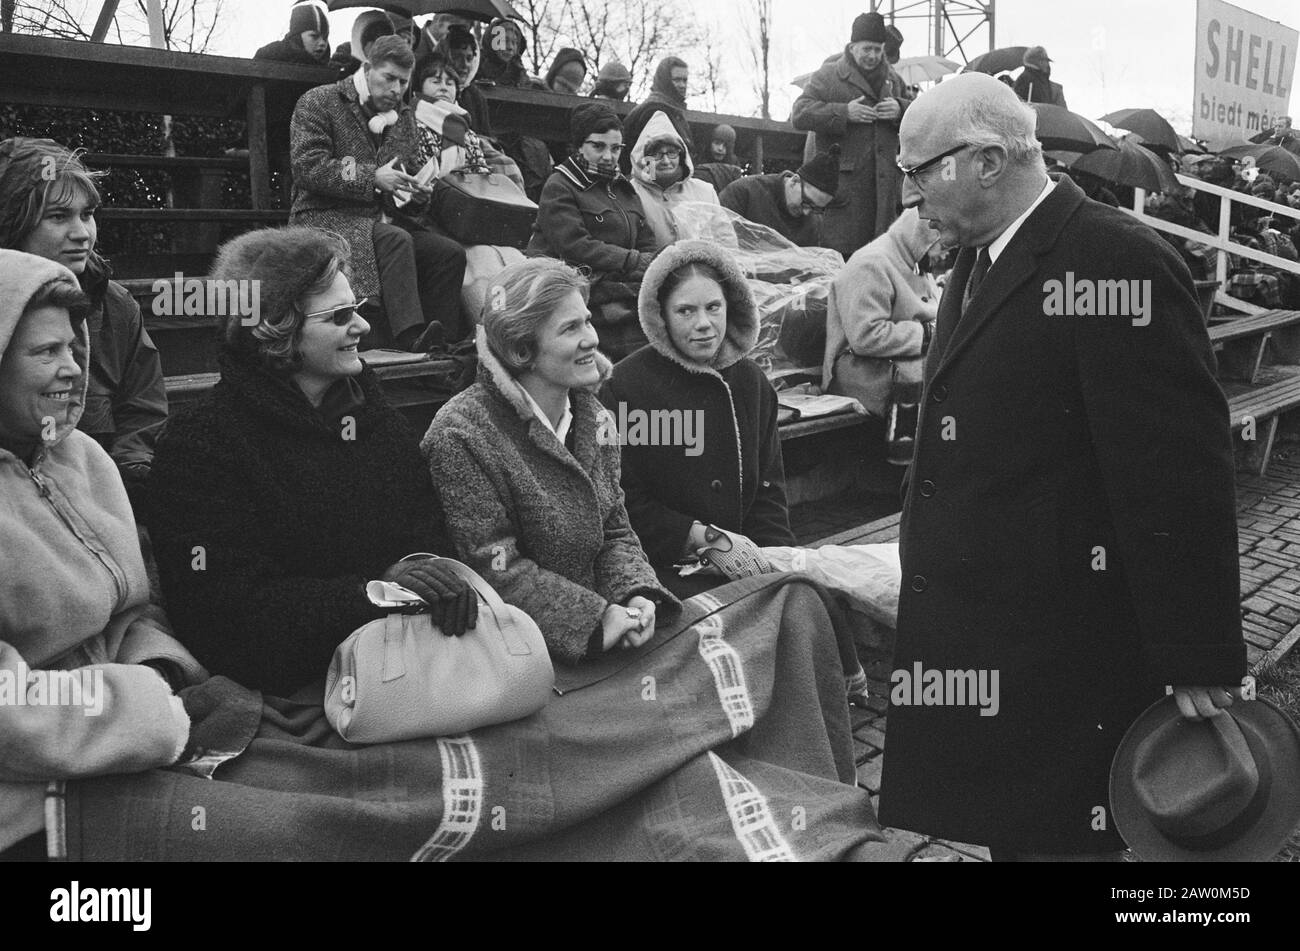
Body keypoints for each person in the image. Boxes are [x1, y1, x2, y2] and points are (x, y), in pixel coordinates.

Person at [880, 72, 1245, 861]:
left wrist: (1197, 651)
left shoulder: (1114, 261)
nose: (906, 192)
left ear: (983, 161)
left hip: (1069, 650)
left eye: (917, 169)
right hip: (995, 633)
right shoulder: (981, 259)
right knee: (1018, 835)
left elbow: (1175, 470)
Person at [146, 228, 474, 697]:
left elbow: (423, 525)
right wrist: (372, 593)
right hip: (293, 682)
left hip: (405, 661)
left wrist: (423, 569)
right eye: (340, 316)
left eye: (357, 309)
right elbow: (222, 613)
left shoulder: (371, 415)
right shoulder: (202, 445)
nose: (362, 328)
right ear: (274, 328)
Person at [0, 250, 200, 861]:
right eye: (44, 353)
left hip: (135, 729)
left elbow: (131, 612)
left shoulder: (84, 459)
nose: (71, 370)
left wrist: (160, 670)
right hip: (29, 792)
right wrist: (144, 710)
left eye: (72, 347)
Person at [600, 240, 794, 599]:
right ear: (661, 315)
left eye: (713, 307)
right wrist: (706, 539)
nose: (704, 324)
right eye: (686, 311)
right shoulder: (625, 389)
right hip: (664, 572)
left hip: (746, 566)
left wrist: (774, 562)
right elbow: (624, 502)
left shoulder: (752, 383)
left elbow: (769, 491)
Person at [0, 138, 167, 509]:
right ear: (14, 223)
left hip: (100, 491)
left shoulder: (117, 306)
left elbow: (143, 408)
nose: (82, 233)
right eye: (58, 217)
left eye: (87, 214)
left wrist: (123, 481)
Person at [290, 35, 467, 349]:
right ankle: (411, 338)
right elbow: (310, 165)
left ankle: (446, 346)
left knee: (448, 253)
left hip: (383, 220)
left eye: (403, 82)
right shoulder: (319, 101)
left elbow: (403, 180)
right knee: (395, 240)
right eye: (389, 78)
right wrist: (372, 176)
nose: (396, 90)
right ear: (367, 68)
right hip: (325, 218)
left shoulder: (403, 118)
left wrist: (415, 196)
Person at [527, 102, 658, 360]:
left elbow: (647, 240)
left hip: (617, 281)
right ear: (578, 146)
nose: (609, 156)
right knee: (632, 334)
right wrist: (632, 261)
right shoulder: (561, 185)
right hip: (571, 285)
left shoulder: (623, 189)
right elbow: (574, 245)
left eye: (615, 148)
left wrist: (650, 262)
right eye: (598, 146)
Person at [824, 207, 939, 468]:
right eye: (941, 240)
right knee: (923, 372)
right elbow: (866, 337)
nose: (946, 249)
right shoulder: (872, 263)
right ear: (923, 235)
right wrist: (929, 333)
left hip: (894, 356)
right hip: (856, 366)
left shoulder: (914, 259)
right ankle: (908, 467)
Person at [792, 11, 913, 258]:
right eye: (867, 49)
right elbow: (800, 113)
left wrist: (900, 108)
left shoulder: (894, 80)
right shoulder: (828, 75)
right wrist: (844, 112)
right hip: (843, 198)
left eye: (878, 49)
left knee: (879, 264)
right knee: (838, 266)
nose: (873, 56)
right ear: (852, 46)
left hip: (883, 198)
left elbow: (919, 116)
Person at [627, 111, 719, 248]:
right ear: (644, 159)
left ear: (681, 156)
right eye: (656, 154)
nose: (665, 161)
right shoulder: (630, 193)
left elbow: (725, 239)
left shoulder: (705, 192)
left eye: (672, 153)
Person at [718, 145, 839, 247]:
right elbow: (716, 240)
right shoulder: (744, 192)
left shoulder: (814, 222)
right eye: (806, 202)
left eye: (816, 209)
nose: (807, 213)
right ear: (794, 181)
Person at [620, 56, 693, 176]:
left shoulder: (672, 111)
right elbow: (649, 157)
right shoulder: (654, 111)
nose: (682, 85)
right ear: (665, 80)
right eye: (677, 80)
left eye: (685, 80)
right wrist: (654, 186)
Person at [254, 1, 331, 66]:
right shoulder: (270, 55)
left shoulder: (331, 68)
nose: (322, 43)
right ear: (297, 37)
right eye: (314, 36)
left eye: (325, 38)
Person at [328, 9, 393, 76]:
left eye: (384, 36)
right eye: (372, 36)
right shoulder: (345, 52)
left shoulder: (393, 59)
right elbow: (333, 76)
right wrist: (356, 64)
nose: (378, 43)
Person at [694, 123, 745, 192]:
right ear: (710, 143)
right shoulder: (699, 159)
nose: (720, 148)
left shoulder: (734, 164)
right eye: (717, 143)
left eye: (725, 145)